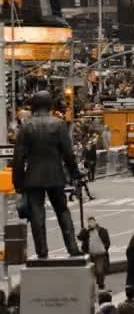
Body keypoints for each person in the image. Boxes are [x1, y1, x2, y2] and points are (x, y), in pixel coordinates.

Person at [12, 90, 82, 258]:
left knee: (37, 214)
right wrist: (75, 174)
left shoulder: (26, 126)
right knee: (62, 211)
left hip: (33, 177)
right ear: (50, 105)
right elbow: (68, 153)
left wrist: (18, 183)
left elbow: (19, 158)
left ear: (34, 106)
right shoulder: (59, 125)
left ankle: (42, 252)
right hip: (55, 175)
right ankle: (72, 247)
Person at [78, 217, 111, 290]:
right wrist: (84, 231)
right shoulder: (87, 231)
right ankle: (92, 286)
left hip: (99, 254)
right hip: (89, 254)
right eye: (89, 222)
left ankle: (101, 285)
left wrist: (102, 249)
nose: (91, 224)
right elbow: (80, 238)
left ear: (95, 222)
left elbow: (107, 242)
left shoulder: (102, 231)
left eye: (92, 222)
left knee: (99, 271)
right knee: (90, 272)